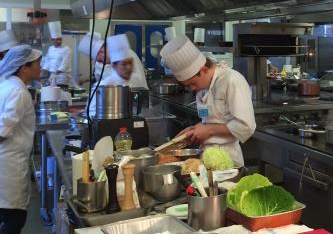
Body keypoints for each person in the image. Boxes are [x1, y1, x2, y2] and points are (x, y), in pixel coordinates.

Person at [160, 35, 255, 166]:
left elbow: (246, 126)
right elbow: (210, 119)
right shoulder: (203, 87)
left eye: (192, 83)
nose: (192, 89)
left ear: (203, 70)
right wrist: (195, 129)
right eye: (188, 85)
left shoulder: (233, 81)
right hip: (205, 156)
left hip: (228, 161)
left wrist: (209, 130)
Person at [0, 45, 42, 234]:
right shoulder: (18, 92)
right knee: (14, 216)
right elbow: (3, 130)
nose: (40, 67)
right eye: (37, 63)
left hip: (6, 159)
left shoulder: (8, 85)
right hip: (9, 162)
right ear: (24, 67)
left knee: (4, 214)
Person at [87, 34, 148, 117]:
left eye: (130, 63)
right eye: (124, 64)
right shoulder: (104, 86)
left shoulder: (135, 80)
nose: (129, 67)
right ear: (114, 65)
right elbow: (91, 113)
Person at [41, 21, 74, 87]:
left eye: (60, 39)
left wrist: (55, 73)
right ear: (52, 40)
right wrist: (42, 72)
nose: (59, 41)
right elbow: (47, 61)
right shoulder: (50, 49)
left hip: (62, 78)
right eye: (56, 39)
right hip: (52, 76)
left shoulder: (66, 49)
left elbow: (65, 64)